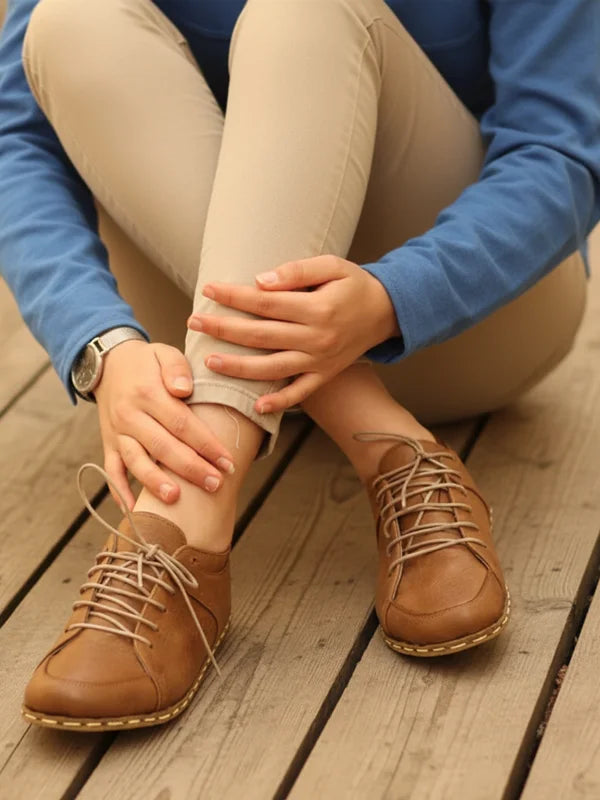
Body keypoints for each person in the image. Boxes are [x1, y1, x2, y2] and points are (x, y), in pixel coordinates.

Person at [1, 0, 598, 732]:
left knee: (305, 9)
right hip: (199, 317)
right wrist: (101, 343)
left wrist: (390, 296)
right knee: (69, 25)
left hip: (468, 322)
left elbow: (564, 150)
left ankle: (183, 522)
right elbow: (17, 140)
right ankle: (378, 430)